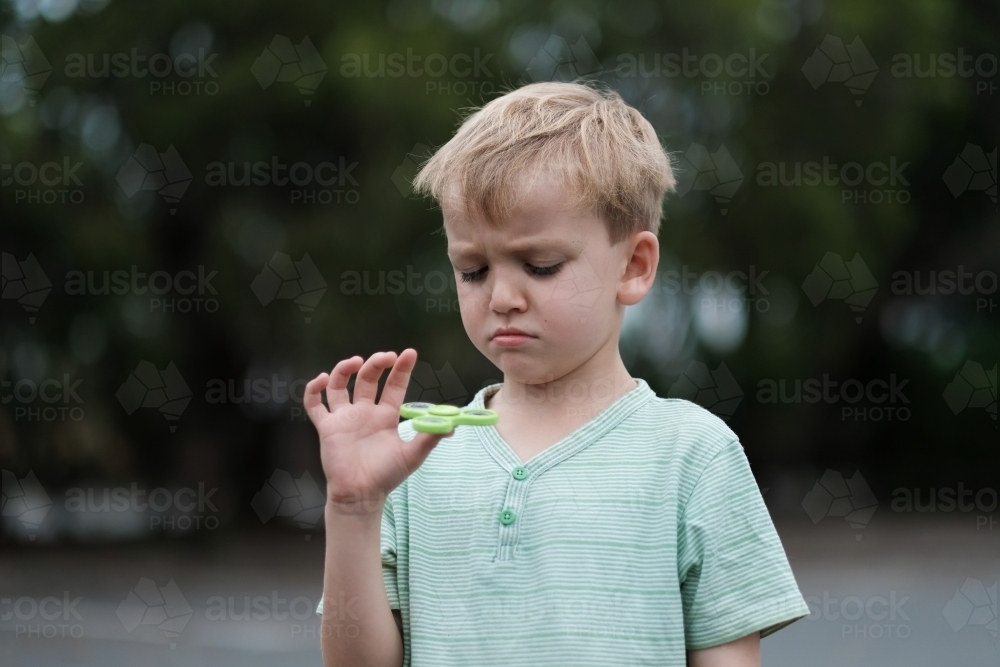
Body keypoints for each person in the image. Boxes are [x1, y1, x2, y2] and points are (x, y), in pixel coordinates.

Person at [306, 81, 809, 667]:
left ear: (634, 266)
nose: (501, 296)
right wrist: (352, 509)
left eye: (539, 265)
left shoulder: (694, 456)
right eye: (472, 270)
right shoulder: (411, 461)